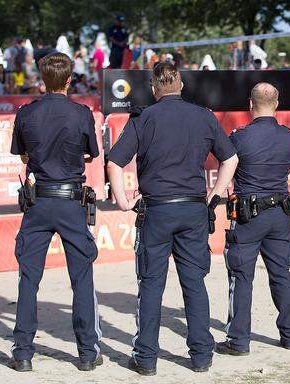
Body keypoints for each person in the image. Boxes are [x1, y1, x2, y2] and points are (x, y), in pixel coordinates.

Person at [106, 62, 238, 375]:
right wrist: (215, 195)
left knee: (151, 284)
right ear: (181, 86)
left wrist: (124, 202)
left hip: (156, 210)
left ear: (154, 89)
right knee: (194, 283)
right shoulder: (203, 116)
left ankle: (146, 358)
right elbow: (230, 158)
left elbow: (114, 161)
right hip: (193, 209)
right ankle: (202, 356)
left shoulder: (144, 118)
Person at [8, 52, 102, 373]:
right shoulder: (81, 114)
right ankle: (87, 352)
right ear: (69, 80)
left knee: (29, 277)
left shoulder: (26, 114)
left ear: (41, 80)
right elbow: (91, 154)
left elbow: (22, 157)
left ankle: (22, 352)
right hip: (70, 199)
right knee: (82, 276)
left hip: (38, 201)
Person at [215, 83, 290, 357]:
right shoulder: (289, 137)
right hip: (280, 214)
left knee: (241, 277)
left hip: (249, 215)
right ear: (276, 104)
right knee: (281, 275)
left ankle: (239, 341)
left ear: (250, 105)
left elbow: (227, 168)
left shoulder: (239, 137)